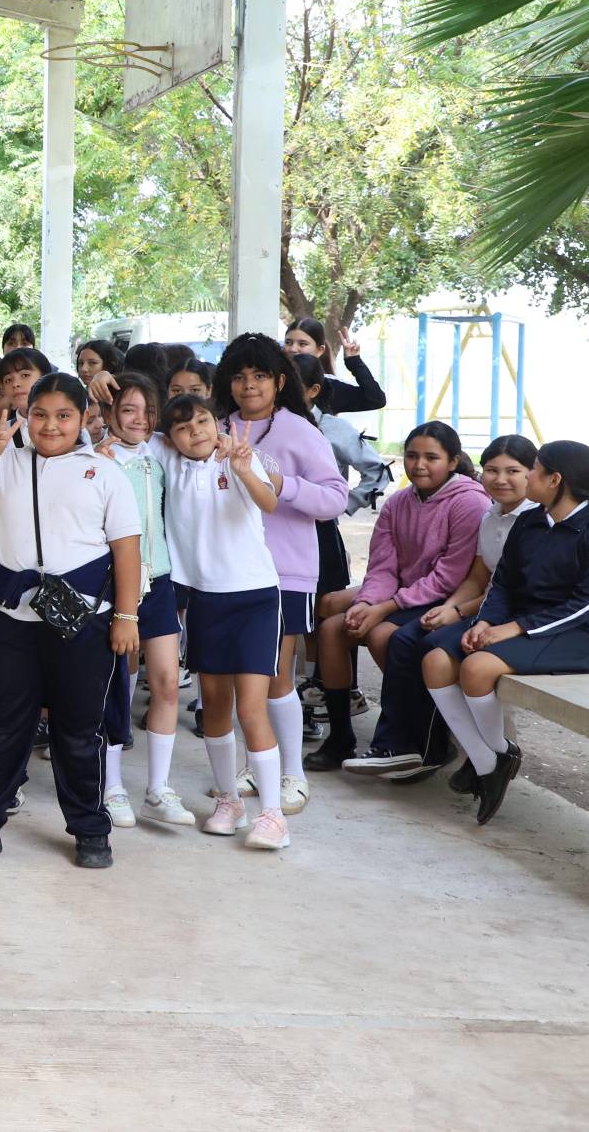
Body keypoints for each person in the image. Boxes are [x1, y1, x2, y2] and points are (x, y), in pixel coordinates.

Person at [0, 375, 141, 870]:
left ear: (83, 418)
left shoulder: (104, 472)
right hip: (12, 620)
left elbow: (127, 548)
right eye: (40, 414)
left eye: (63, 416)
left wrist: (126, 616)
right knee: (4, 727)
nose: (51, 426)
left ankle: (90, 830)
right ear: (26, 416)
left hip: (83, 622)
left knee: (79, 729)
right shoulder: (5, 461)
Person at [420, 441, 589, 824]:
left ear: (556, 480)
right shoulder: (529, 521)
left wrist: (514, 628)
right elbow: (504, 584)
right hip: (512, 623)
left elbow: (588, 604)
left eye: (535, 470)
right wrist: (485, 622)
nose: (528, 477)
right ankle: (489, 760)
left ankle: (493, 759)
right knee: (435, 662)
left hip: (571, 636)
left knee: (476, 668)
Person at [347, 435, 538, 781]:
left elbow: (513, 591)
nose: (500, 479)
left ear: (533, 474)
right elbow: (478, 577)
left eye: (512, 471)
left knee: (426, 647)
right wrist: (450, 607)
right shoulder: (492, 514)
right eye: (491, 470)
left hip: (514, 616)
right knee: (404, 638)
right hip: (483, 606)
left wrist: (458, 612)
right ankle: (402, 745)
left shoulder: (532, 521)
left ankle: (432, 748)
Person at [214, 332, 348, 816]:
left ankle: (293, 773)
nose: (249, 385)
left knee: (274, 676)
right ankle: (259, 763)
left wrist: (282, 484)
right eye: (239, 376)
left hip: (285, 573)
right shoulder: (216, 428)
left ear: (279, 381)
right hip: (228, 572)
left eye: (260, 376)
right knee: (242, 679)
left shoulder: (300, 431)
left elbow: (335, 498)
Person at [305, 422, 488, 770]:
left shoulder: (469, 502)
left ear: (453, 462)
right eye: (412, 455)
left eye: (431, 457)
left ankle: (415, 734)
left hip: (447, 601)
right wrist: (366, 603)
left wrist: (384, 608)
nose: (419, 465)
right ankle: (340, 737)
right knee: (333, 629)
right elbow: (382, 566)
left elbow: (448, 577)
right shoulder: (399, 502)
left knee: (381, 634)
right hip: (404, 594)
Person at [158, 396, 291, 849]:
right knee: (214, 706)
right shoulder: (170, 462)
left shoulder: (240, 457)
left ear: (217, 423)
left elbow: (269, 502)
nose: (195, 431)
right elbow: (132, 434)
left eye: (202, 421)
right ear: (171, 439)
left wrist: (243, 468)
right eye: (182, 427)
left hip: (255, 597)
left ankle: (273, 815)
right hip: (204, 599)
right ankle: (229, 800)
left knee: (251, 709)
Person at [96, 373, 192, 827]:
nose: (139, 419)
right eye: (128, 410)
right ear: (110, 412)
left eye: (147, 411)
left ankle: (158, 788)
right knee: (116, 687)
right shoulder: (96, 456)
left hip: (160, 580)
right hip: (115, 585)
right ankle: (112, 786)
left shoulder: (159, 450)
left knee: (167, 683)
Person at [284, 317, 387, 416]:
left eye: (302, 344)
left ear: (320, 350)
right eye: (288, 342)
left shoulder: (329, 387)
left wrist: (354, 362)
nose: (293, 349)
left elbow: (376, 400)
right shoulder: (275, 379)